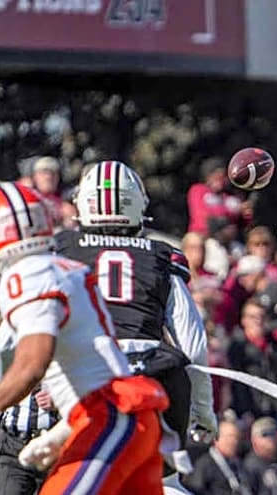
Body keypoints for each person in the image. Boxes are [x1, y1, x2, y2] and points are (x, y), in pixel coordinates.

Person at [0, 182, 170, 494]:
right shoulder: (66, 268)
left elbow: (31, 366)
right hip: (130, 416)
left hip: (108, 419)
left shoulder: (26, 274)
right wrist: (60, 433)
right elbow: (91, 367)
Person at [55, 161, 217, 481]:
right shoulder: (160, 256)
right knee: (161, 481)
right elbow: (193, 346)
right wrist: (203, 410)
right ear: (137, 203)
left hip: (82, 379)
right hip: (150, 380)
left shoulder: (61, 249)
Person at [0, 316, 60, 495]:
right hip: (15, 448)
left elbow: (88, 393)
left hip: (54, 447)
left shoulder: (65, 344)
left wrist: (59, 400)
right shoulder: (6, 350)